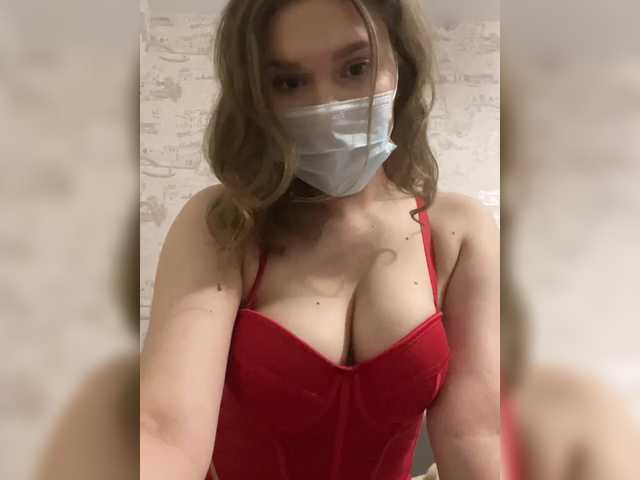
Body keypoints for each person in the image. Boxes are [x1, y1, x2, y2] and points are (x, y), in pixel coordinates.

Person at [140, 1, 500, 479]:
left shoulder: (459, 233)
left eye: (356, 67)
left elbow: (475, 434)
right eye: (289, 82)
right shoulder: (224, 225)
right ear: (257, 97)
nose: (327, 105)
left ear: (400, 64)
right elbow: (165, 431)